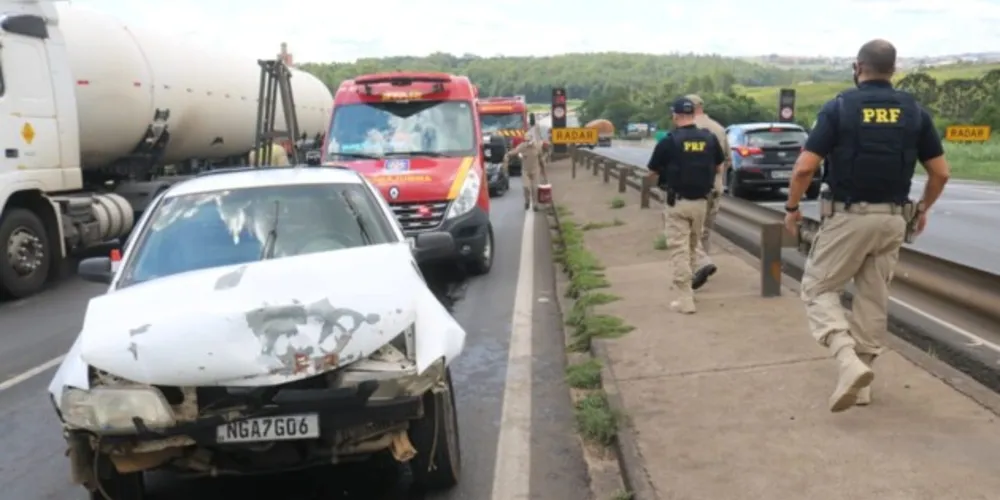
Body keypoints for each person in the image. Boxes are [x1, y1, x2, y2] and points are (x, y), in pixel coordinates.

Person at [783, 39, 951, 412]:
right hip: (894, 219)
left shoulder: (839, 107)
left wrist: (792, 208)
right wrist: (922, 208)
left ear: (858, 67)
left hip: (848, 217)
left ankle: (846, 360)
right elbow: (940, 172)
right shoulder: (915, 113)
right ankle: (862, 385)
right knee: (872, 296)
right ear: (894, 68)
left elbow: (804, 168)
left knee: (817, 288)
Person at [647, 97, 725, 314]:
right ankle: (689, 293)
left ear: (675, 116)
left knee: (678, 250)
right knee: (692, 247)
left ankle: (685, 299)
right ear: (693, 115)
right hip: (701, 203)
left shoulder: (669, 141)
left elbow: (652, 170)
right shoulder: (709, 138)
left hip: (677, 203)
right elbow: (720, 167)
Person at [685, 94, 730, 290]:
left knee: (688, 230)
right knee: (706, 231)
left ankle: (696, 266)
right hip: (714, 186)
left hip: (691, 188)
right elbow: (726, 160)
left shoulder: (685, 128)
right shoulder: (718, 129)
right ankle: (704, 265)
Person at [504, 124, 548, 211]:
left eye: (529, 140)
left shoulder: (537, 147)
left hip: (535, 170)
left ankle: (535, 205)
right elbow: (514, 152)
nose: (528, 142)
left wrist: (544, 172)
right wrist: (507, 155)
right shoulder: (522, 146)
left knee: (535, 188)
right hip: (525, 170)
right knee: (526, 187)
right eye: (526, 140)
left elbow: (541, 159)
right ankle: (527, 201)